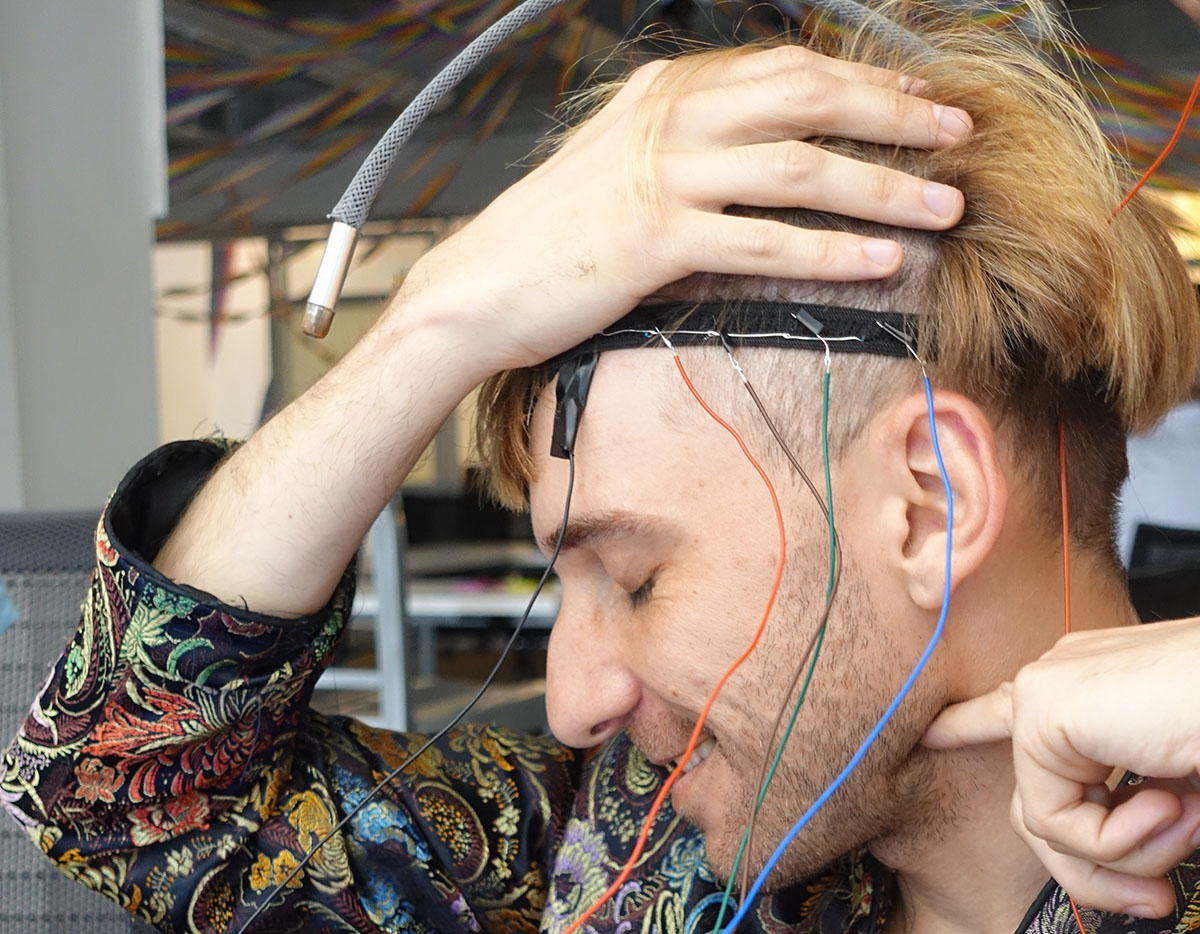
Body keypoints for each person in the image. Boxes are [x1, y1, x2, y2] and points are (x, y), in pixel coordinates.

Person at [3, 4, 1200, 934]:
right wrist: (436, 322)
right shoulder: (616, 848)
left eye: (632, 577)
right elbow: (124, 789)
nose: (575, 702)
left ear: (931, 503)